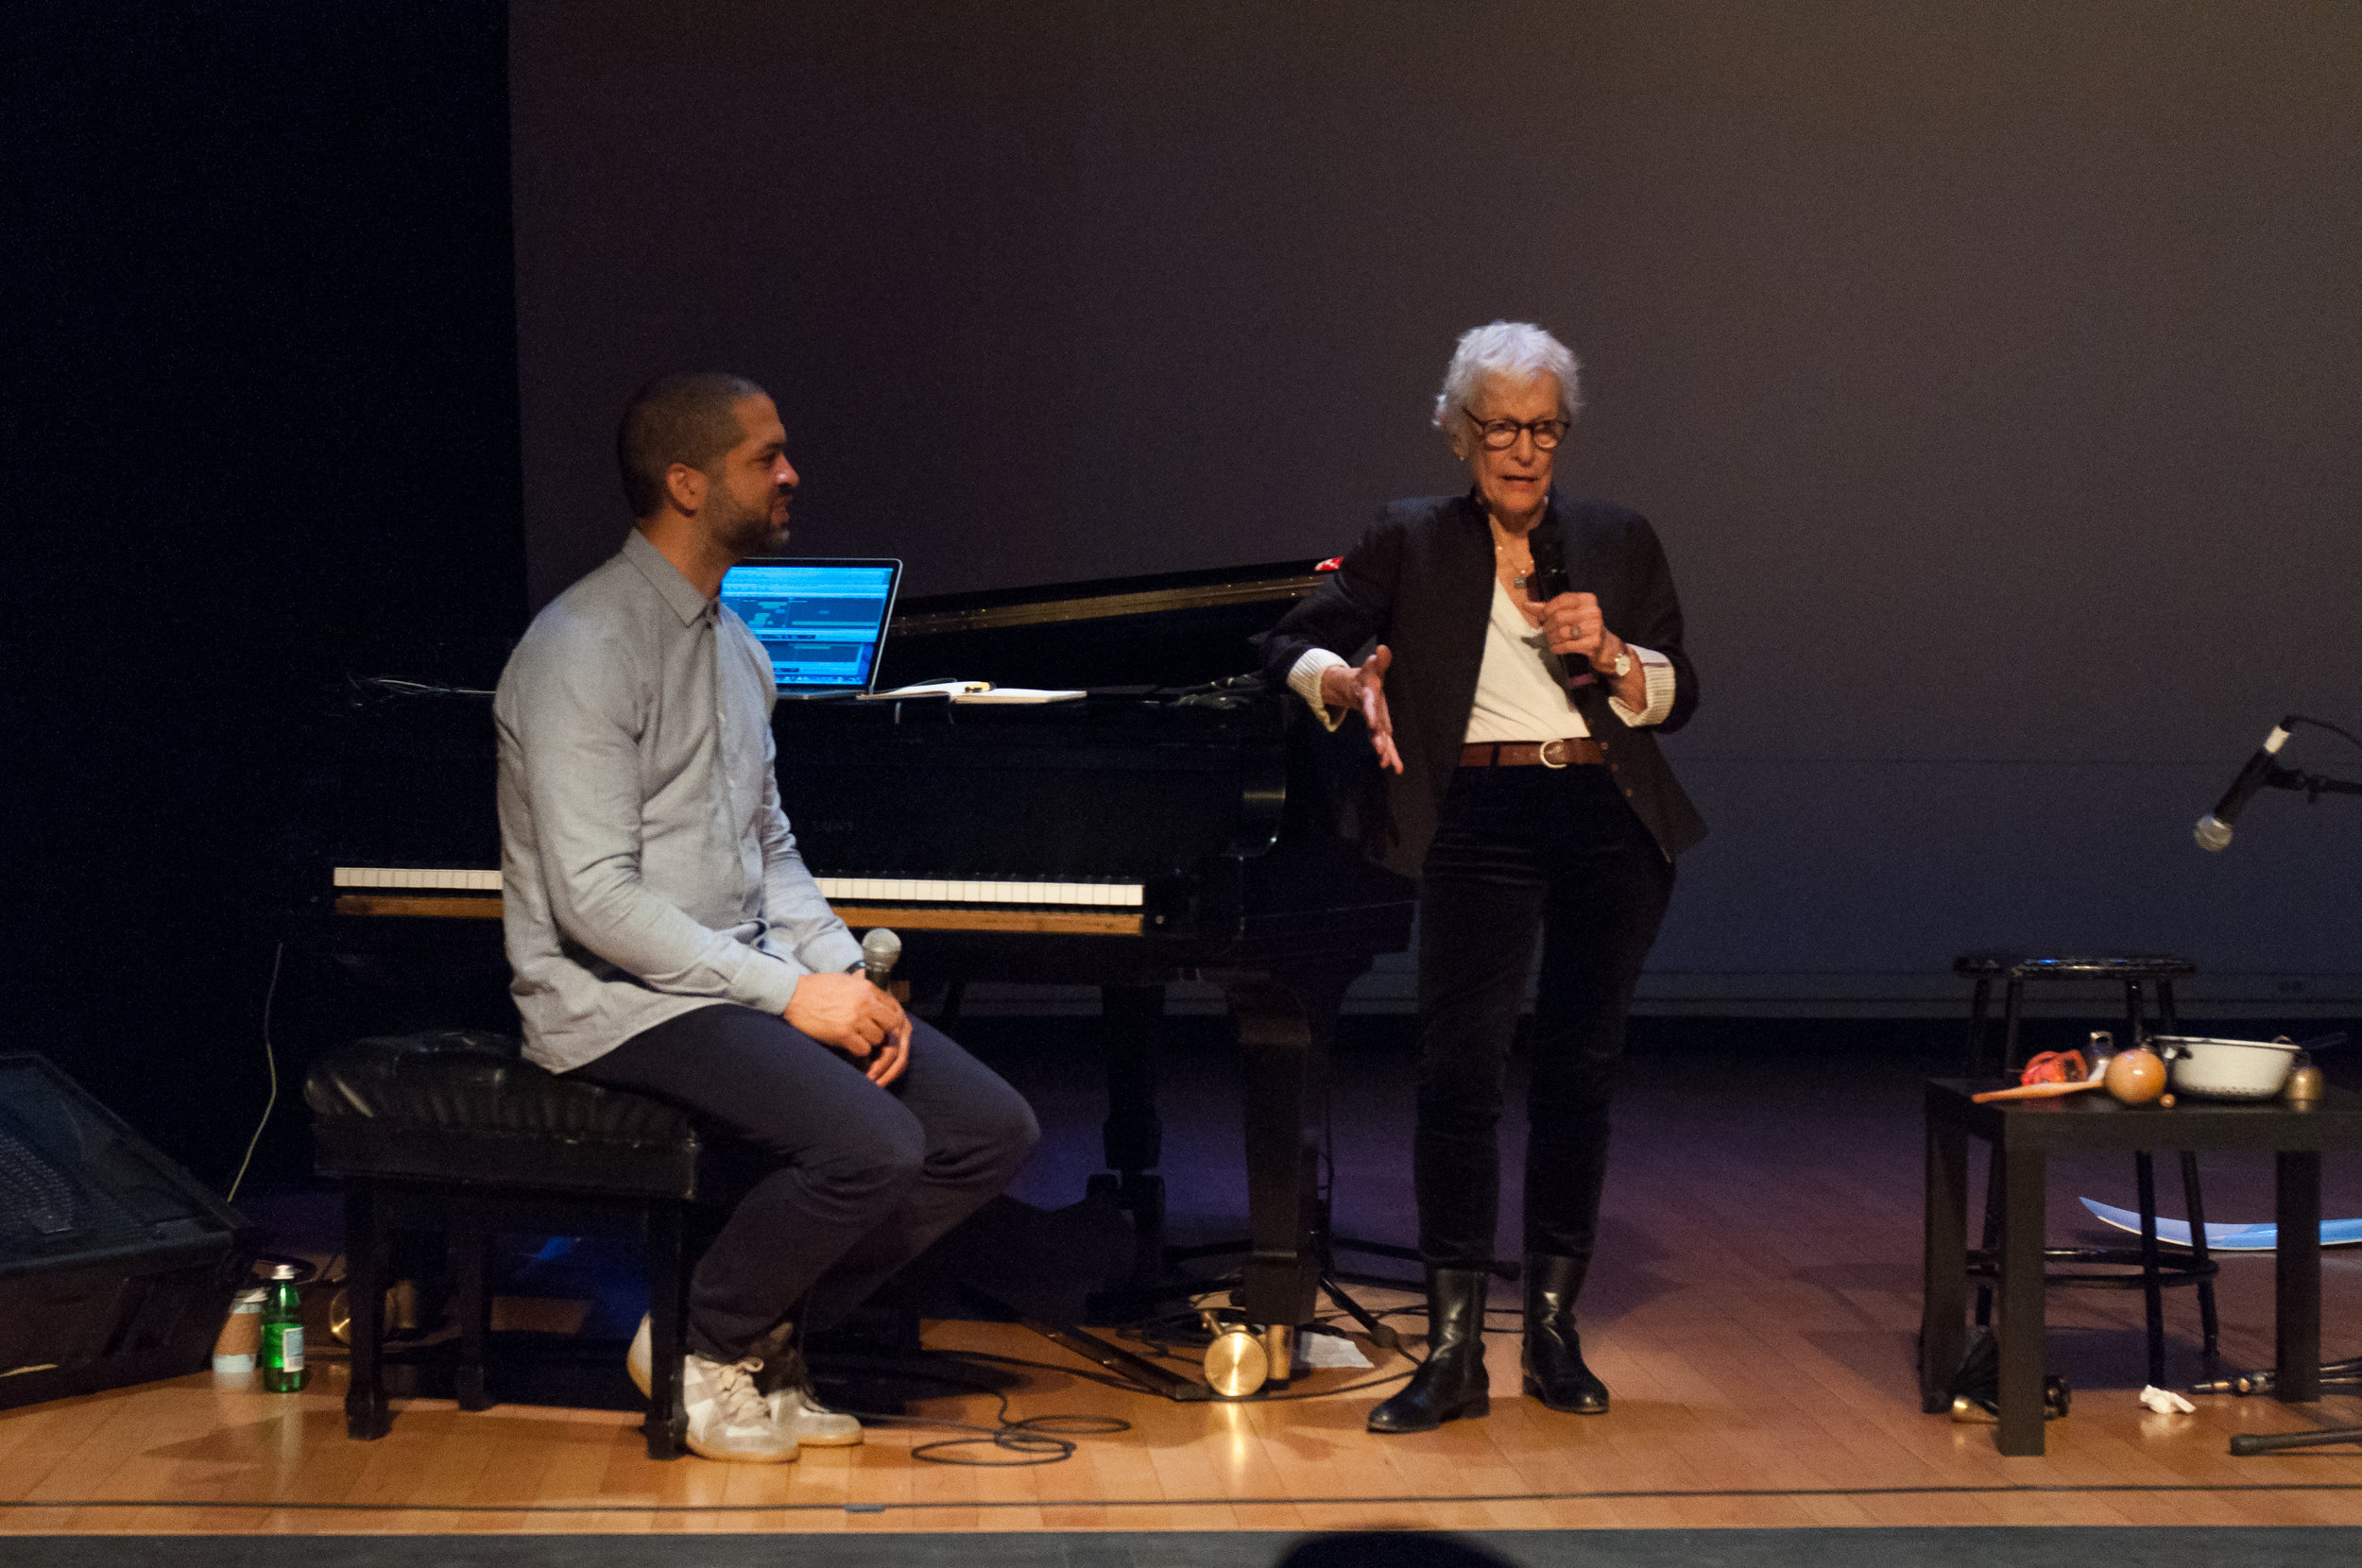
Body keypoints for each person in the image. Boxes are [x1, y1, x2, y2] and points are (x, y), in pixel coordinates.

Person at [493, 371, 1039, 1463]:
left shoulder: (736, 645)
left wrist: (848, 976)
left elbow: (768, 849)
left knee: (987, 1129)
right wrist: (794, 993)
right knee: (873, 1143)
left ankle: (765, 1338)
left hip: (724, 978)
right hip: (616, 999)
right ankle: (700, 1345)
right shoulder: (584, 646)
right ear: (686, 484)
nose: (790, 474)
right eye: (765, 456)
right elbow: (595, 903)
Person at [1258, 322, 1704, 1433]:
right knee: (1459, 1070)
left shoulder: (1618, 536)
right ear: (1458, 431)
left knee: (1580, 1067)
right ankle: (1453, 1348)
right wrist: (1343, 679)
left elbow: (1679, 689)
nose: (1523, 450)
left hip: (1606, 809)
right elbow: (1288, 643)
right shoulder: (1409, 538)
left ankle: (1552, 1330)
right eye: (1500, 426)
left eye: (1543, 427)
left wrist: (1610, 657)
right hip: (1476, 816)